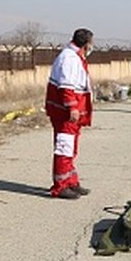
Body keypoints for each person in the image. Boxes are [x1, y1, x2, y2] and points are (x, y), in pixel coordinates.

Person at [46, 28, 94, 199]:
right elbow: (66, 87)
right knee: (64, 148)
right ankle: (60, 186)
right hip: (65, 112)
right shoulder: (69, 58)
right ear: (86, 43)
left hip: (72, 112)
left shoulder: (76, 57)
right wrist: (72, 107)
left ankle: (71, 181)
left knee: (71, 149)